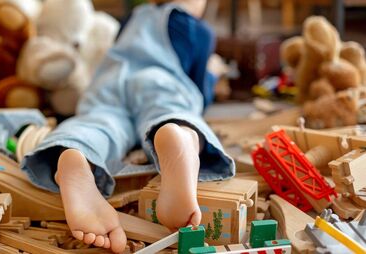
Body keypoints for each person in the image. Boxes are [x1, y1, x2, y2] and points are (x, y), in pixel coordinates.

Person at [22, 0, 234, 252]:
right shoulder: (198, 30)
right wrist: (212, 73)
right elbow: (200, 92)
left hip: (109, 82)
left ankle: (77, 153)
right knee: (172, 109)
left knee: (99, 122)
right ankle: (181, 135)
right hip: (157, 81)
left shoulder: (137, 15)